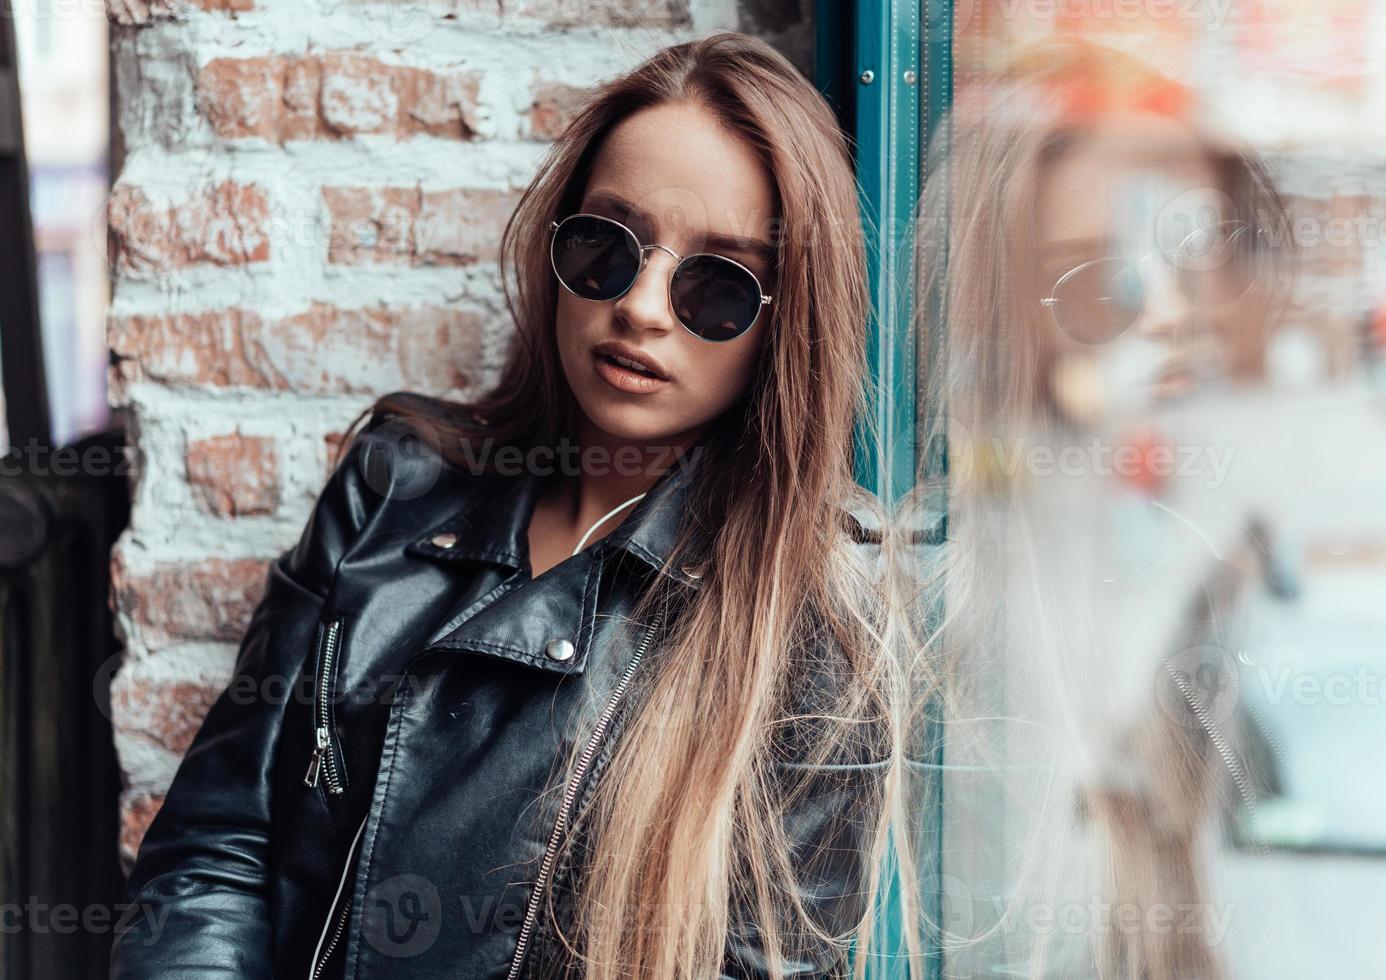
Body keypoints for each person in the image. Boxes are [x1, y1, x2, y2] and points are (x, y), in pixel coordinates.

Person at [111, 32, 904, 980]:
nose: (643, 307)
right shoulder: (394, 483)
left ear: (790, 319)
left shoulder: (807, 613)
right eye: (607, 247)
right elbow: (216, 850)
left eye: (715, 287)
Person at [902, 37, 1289, 978]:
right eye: (1098, 271)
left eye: (1185, 253)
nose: (1163, 314)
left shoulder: (1158, 504)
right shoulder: (946, 551)